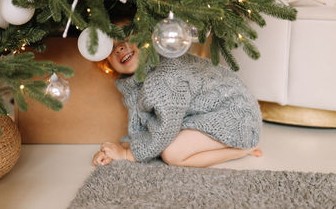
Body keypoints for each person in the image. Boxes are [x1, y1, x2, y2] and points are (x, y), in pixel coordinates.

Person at [92, 39, 263, 168]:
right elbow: (144, 123)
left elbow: (166, 127)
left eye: (125, 37)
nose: (120, 48)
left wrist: (129, 154)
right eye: (111, 47)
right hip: (208, 113)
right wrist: (119, 149)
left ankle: (242, 149)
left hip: (236, 113)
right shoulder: (132, 83)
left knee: (172, 154)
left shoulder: (165, 74)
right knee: (167, 144)